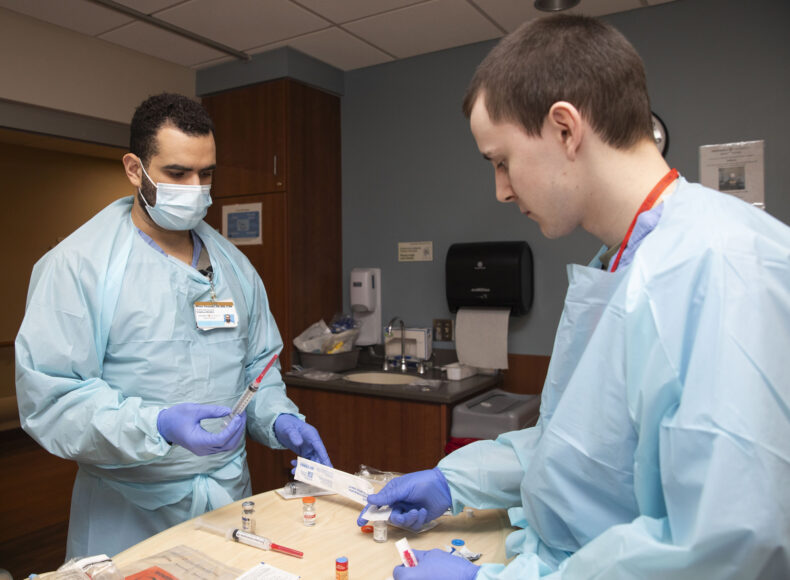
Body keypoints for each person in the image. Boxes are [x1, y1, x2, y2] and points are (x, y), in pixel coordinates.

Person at [359, 14, 790, 580]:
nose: (502, 189)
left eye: (501, 161)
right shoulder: (622, 260)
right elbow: (577, 451)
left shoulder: (719, 264)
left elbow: (724, 545)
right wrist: (452, 480)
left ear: (565, 129)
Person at [15, 93, 332, 558]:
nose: (196, 188)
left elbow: (259, 369)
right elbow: (54, 398)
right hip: (127, 509)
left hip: (226, 503)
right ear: (133, 169)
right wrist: (157, 424)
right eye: (177, 174)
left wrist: (279, 418)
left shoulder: (235, 268)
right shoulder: (79, 266)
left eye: (206, 174)